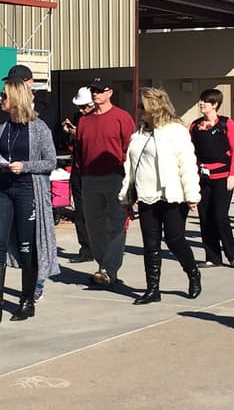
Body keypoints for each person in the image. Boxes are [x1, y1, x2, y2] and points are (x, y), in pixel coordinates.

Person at [0, 79, 58, 324]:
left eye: (4, 96)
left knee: (26, 245)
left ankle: (27, 300)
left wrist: (26, 166)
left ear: (16, 98)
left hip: (27, 188)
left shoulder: (39, 127)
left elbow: (51, 162)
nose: (1, 100)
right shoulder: (1, 127)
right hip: (1, 187)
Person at [121, 87, 202, 304]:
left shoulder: (176, 130)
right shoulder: (137, 135)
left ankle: (193, 273)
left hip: (172, 195)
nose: (138, 110)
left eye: (142, 106)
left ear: (154, 107)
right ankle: (152, 289)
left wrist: (192, 194)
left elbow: (187, 163)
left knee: (175, 240)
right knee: (150, 244)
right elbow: (131, 168)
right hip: (147, 196)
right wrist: (127, 198)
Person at [72, 77, 135, 286]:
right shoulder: (84, 121)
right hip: (89, 179)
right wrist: (80, 173)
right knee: (93, 226)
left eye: (100, 90)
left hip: (115, 178)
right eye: (93, 90)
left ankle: (109, 269)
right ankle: (103, 264)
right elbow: (79, 150)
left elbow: (130, 149)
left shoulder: (122, 118)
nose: (96, 93)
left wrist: (129, 178)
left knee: (116, 225)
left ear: (110, 92)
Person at [189, 87, 234, 268]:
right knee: (205, 217)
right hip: (203, 178)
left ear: (215, 105)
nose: (202, 104)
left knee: (220, 216)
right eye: (201, 100)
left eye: (206, 101)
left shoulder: (226, 123)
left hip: (223, 177)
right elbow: (191, 153)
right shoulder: (194, 126)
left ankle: (232, 254)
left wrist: (232, 175)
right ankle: (212, 256)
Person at [59, 87, 96, 262]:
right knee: (80, 211)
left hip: (95, 170)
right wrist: (69, 134)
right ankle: (86, 249)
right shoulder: (78, 118)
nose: (81, 111)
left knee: (97, 211)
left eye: (84, 107)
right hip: (79, 167)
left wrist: (78, 133)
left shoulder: (98, 119)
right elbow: (73, 144)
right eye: (79, 107)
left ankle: (100, 248)